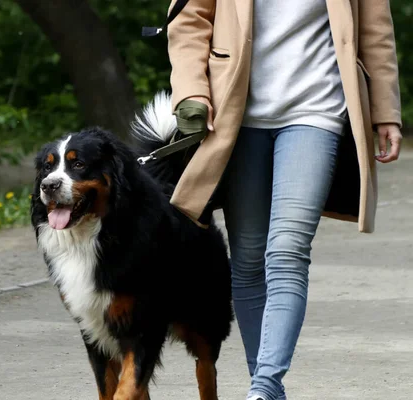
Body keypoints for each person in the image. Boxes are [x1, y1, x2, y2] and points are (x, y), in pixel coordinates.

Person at [165, 1, 402, 399]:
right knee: (248, 258)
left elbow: (375, 31)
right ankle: (266, 389)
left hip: (317, 109)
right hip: (237, 113)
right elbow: (189, 20)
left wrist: (385, 111)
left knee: (288, 250)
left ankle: (265, 386)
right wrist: (192, 90)